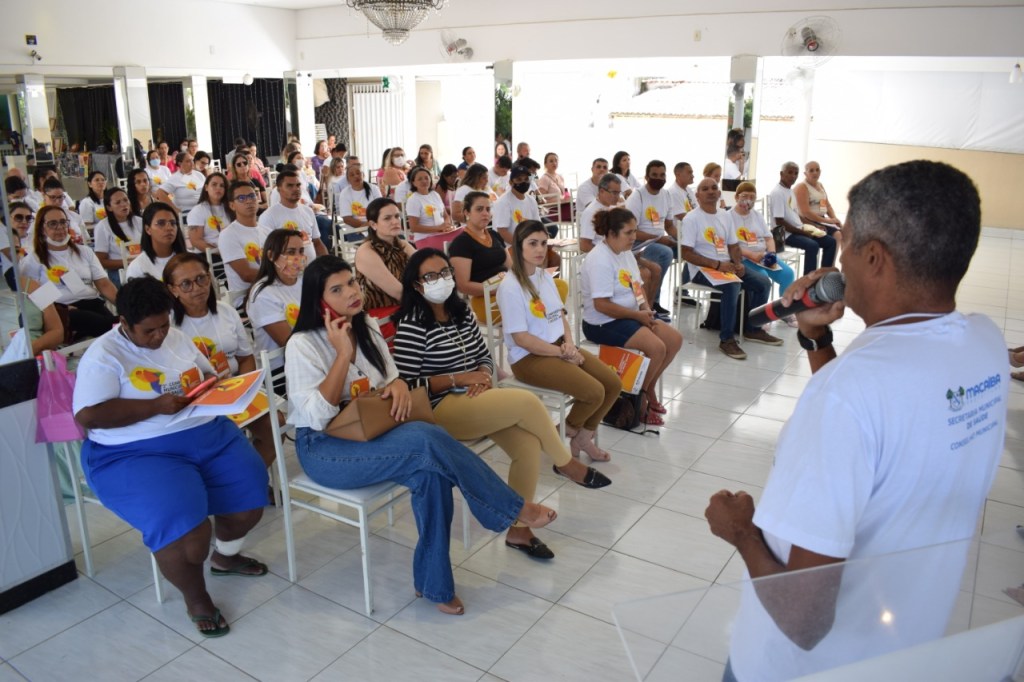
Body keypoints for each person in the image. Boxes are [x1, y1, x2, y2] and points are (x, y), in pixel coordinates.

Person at [705, 160, 1006, 682]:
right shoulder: (985, 343)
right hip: (905, 644)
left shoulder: (847, 396)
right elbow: (887, 422)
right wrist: (817, 340)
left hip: (795, 668)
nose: (838, 257)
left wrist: (742, 534)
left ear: (873, 257)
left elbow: (803, 620)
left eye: (845, 243)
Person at [285, 254, 558, 614]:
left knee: (432, 474)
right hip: (325, 450)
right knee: (425, 437)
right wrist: (341, 355)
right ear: (318, 300)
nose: (351, 292)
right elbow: (317, 416)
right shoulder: (303, 344)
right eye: (337, 289)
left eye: (351, 282)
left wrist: (397, 385)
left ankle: (434, 585)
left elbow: (390, 376)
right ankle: (510, 508)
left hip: (371, 434)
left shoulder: (364, 324)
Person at [73, 275, 269, 638]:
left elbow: (203, 373)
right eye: (149, 331)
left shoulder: (175, 336)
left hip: (205, 432)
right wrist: (156, 407)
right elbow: (88, 416)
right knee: (187, 535)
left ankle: (225, 558)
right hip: (135, 451)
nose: (160, 335)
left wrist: (218, 384)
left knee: (248, 502)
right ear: (125, 324)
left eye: (164, 325)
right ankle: (196, 598)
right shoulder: (104, 355)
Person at [394, 247, 610, 560]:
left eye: (444, 273)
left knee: (526, 444)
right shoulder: (412, 324)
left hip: (475, 396)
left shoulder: (461, 311)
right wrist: (458, 379)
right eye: (430, 276)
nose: (440, 280)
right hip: (439, 409)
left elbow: (484, 354)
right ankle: (566, 463)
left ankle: (520, 532)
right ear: (416, 285)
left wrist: (482, 374)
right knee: (525, 402)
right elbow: (407, 386)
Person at [499, 221, 622, 461]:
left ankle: (581, 437)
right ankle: (560, 434)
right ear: (518, 247)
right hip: (529, 358)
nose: (540, 249)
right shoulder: (510, 287)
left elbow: (560, 315)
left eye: (543, 243)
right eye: (532, 243)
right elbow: (522, 339)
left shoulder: (544, 277)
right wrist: (563, 353)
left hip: (558, 347)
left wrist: (569, 343)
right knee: (594, 392)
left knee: (613, 383)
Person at [164, 253, 277, 468]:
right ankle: (241, 483)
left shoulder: (226, 311)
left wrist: (242, 390)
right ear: (173, 289)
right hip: (195, 400)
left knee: (275, 425)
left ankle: (251, 479)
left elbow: (245, 358)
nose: (197, 288)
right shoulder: (168, 324)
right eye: (186, 284)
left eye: (201, 278)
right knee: (226, 439)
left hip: (232, 388)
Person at [580, 208, 682, 424]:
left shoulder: (625, 253)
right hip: (601, 322)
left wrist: (645, 308)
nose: (634, 237)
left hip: (628, 316)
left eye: (635, 231)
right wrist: (637, 316)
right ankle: (638, 401)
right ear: (611, 233)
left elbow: (637, 286)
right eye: (629, 232)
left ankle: (648, 388)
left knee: (674, 340)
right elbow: (601, 305)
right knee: (657, 348)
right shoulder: (599, 259)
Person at [681, 178, 779, 360]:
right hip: (702, 269)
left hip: (727, 265)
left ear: (719, 193)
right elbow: (686, 253)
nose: (710, 191)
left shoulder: (725, 215)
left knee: (763, 283)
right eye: (705, 189)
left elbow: (733, 245)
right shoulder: (691, 218)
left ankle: (753, 328)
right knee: (732, 285)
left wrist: (738, 263)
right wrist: (717, 265)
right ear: (697, 195)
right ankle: (726, 339)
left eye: (714, 188)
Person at [19, 205, 118, 340]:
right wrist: (59, 308)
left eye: (63, 222)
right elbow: (33, 295)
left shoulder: (84, 252)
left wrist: (124, 306)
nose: (59, 227)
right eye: (52, 224)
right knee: (112, 326)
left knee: (112, 323)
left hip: (91, 302)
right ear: (42, 229)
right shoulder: (33, 260)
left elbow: (104, 284)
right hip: (63, 310)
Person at [728, 182, 797, 325]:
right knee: (762, 278)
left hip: (762, 257)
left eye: (752, 197)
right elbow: (729, 245)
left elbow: (768, 237)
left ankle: (784, 311)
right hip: (743, 258)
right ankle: (758, 318)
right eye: (744, 196)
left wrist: (771, 253)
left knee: (788, 274)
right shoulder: (728, 217)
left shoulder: (757, 216)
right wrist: (751, 255)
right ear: (736, 197)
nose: (748, 200)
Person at [247, 228, 305, 377]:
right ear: (271, 256)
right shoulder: (263, 294)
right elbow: (288, 343)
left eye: (301, 251)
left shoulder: (304, 281)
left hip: (308, 356)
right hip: (281, 370)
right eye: (291, 252)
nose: (298, 257)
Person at [624, 160, 676, 319]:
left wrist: (680, 239)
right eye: (654, 175)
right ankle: (653, 302)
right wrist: (659, 239)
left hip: (659, 240)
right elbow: (630, 232)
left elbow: (669, 225)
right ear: (646, 177)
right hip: (638, 243)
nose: (659, 178)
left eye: (662, 175)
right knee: (666, 253)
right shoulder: (637, 196)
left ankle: (683, 291)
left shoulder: (666, 195)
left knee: (684, 249)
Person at [770, 161, 837, 276]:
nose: (793, 176)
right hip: (783, 234)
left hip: (798, 229)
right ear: (781, 174)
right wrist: (804, 233)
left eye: (795, 173)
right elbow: (779, 222)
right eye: (790, 172)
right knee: (812, 245)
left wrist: (815, 225)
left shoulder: (789, 190)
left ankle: (823, 277)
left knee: (831, 242)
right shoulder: (777, 193)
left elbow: (798, 216)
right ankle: (808, 281)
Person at [354, 197, 415, 323]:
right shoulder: (367, 251)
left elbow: (426, 268)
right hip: (381, 317)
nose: (395, 222)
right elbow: (398, 292)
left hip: (408, 307)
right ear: (373, 224)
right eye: (387, 218)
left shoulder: (402, 244)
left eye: (397, 216)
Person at [257, 168, 327, 264]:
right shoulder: (268, 216)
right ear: (279, 189)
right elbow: (268, 253)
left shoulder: (308, 211)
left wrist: (328, 265)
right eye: (290, 186)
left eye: (298, 185)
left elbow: (317, 243)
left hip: (311, 271)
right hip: (286, 274)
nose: (296, 189)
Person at [218, 181, 263, 299]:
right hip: (248, 296)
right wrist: (280, 274)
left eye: (252, 196)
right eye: (241, 198)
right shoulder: (228, 235)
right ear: (232, 205)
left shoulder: (267, 230)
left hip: (273, 288)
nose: (249, 201)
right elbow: (246, 274)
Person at [93, 187, 144, 287]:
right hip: (119, 271)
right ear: (109, 207)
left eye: (125, 200)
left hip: (142, 265)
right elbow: (101, 261)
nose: (124, 204)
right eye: (118, 202)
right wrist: (128, 262)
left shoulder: (139, 221)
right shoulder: (103, 227)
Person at [126, 202, 188, 281]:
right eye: (161, 223)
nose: (169, 228)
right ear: (148, 229)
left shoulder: (190, 259)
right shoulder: (138, 267)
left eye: (173, 223)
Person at [492, 165, 541, 244]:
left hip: (528, 245)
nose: (523, 182)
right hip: (509, 248)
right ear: (511, 182)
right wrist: (521, 247)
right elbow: (502, 231)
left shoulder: (531, 200)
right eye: (519, 179)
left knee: (554, 256)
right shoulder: (503, 202)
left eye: (526, 179)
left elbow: (538, 225)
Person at [793, 161, 843, 236]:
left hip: (821, 219)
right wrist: (827, 221)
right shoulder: (801, 187)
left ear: (820, 172)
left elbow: (826, 206)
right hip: (808, 221)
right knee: (837, 235)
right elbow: (806, 213)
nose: (815, 173)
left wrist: (835, 220)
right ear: (805, 173)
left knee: (841, 232)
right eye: (811, 170)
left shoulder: (820, 185)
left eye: (817, 170)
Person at [405, 167, 453, 241]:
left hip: (442, 234)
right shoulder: (413, 200)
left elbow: (446, 216)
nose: (424, 181)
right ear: (413, 183)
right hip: (425, 238)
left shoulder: (435, 194)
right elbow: (414, 227)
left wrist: (446, 226)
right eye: (420, 179)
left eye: (426, 178)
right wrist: (438, 228)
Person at [186, 172, 229, 253]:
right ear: (206, 187)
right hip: (208, 255)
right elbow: (196, 241)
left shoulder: (230, 208)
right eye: (214, 184)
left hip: (230, 251)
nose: (218, 188)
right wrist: (221, 252)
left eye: (222, 186)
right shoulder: (198, 210)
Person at [338, 164, 383, 236]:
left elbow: (382, 209)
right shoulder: (344, 193)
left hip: (376, 225)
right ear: (348, 180)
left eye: (358, 173)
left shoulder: (374, 188)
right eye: (352, 175)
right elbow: (347, 219)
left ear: (363, 175)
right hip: (355, 229)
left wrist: (373, 225)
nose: (356, 176)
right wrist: (366, 225)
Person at [155, 152, 205, 217]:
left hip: (202, 208)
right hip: (187, 212)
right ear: (180, 163)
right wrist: (174, 209)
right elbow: (160, 193)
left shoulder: (199, 175)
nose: (192, 163)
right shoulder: (175, 178)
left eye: (192, 160)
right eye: (188, 161)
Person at [537, 152, 571, 222]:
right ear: (545, 164)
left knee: (579, 208)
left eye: (556, 161)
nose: (554, 163)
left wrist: (566, 198)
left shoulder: (560, 177)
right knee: (578, 211)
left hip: (562, 207)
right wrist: (559, 201)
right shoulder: (544, 179)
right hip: (551, 211)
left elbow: (564, 194)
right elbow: (540, 202)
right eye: (551, 161)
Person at [576, 158, 610, 225]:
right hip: (588, 221)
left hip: (604, 217)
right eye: (598, 167)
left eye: (605, 167)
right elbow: (594, 207)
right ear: (592, 169)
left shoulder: (609, 185)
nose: (602, 169)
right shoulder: (584, 187)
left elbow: (620, 200)